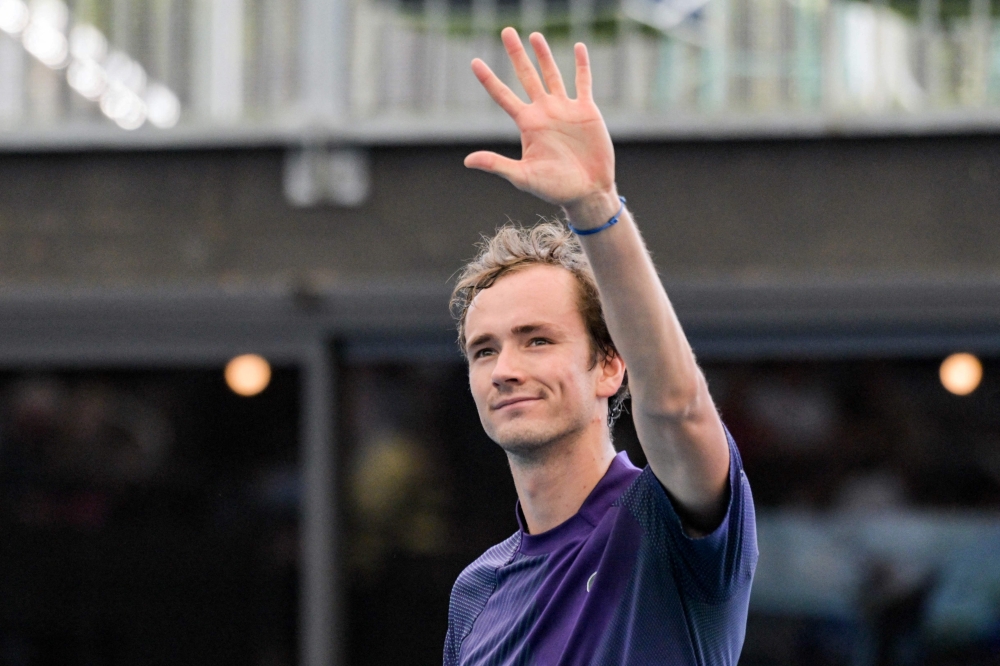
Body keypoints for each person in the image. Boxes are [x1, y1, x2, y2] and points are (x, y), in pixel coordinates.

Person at [444, 27, 757, 665]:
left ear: (610, 366)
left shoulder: (664, 521)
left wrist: (594, 207)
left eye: (537, 340)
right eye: (484, 350)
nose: (505, 369)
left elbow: (677, 405)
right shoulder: (474, 594)